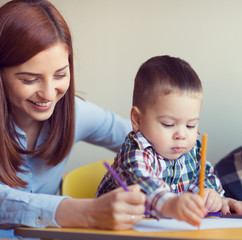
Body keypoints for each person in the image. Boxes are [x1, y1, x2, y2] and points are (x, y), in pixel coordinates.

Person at [0, 0, 146, 238]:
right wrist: (83, 211)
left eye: (60, 74)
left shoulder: (75, 113)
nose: (48, 94)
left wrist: (208, 191)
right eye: (29, 79)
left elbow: (150, 138)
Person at [97, 55, 242, 227]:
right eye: (168, 124)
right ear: (137, 119)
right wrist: (171, 204)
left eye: (190, 125)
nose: (181, 135)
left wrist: (214, 196)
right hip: (115, 230)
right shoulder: (135, 150)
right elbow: (143, 184)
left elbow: (204, 176)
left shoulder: (192, 147)